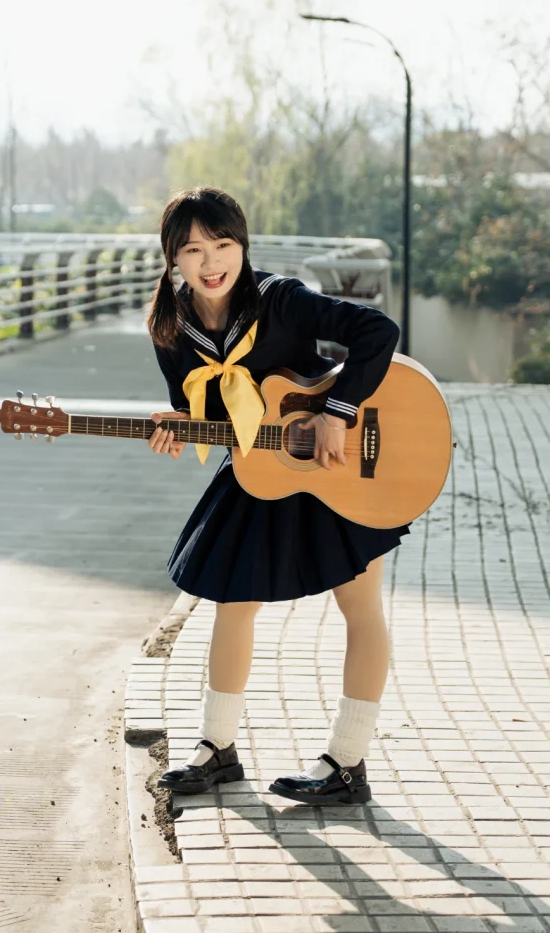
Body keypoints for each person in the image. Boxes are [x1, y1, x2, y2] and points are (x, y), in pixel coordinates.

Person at [145, 187, 406, 806]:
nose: (212, 262)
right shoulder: (170, 327)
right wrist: (177, 424)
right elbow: (200, 411)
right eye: (195, 250)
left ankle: (346, 762)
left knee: (360, 606)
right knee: (232, 603)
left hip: (334, 466)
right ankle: (216, 749)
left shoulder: (282, 299)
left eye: (224, 245)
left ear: (243, 246)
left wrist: (337, 413)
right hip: (262, 472)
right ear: (172, 259)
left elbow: (378, 331)